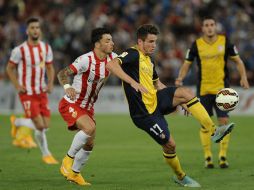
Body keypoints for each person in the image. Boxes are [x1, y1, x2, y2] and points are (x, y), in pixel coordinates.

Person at [106, 24, 235, 187]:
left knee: (186, 93)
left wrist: (182, 102)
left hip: (156, 101)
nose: (154, 45)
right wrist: (133, 82)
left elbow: (158, 84)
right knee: (170, 145)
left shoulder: (149, 60)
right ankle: (180, 176)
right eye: (151, 42)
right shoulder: (132, 54)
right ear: (140, 41)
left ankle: (214, 131)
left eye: (155, 42)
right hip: (143, 114)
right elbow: (111, 65)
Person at [175, 16, 249, 169]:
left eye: (212, 25)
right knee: (205, 124)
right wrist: (180, 78)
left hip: (222, 90)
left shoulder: (225, 42)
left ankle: (222, 156)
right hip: (203, 89)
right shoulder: (196, 45)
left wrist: (243, 77)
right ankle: (208, 157)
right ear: (202, 28)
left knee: (223, 123)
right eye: (206, 25)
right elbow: (186, 63)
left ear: (216, 27)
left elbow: (238, 61)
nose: (209, 27)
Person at [57, 27, 117, 186]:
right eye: (108, 40)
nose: (112, 43)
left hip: (88, 107)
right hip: (71, 103)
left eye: (111, 40)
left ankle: (75, 174)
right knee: (89, 128)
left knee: (89, 144)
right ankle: (67, 160)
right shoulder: (85, 60)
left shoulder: (113, 58)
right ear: (98, 44)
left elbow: (129, 60)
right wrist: (67, 87)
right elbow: (62, 73)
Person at [6, 17, 58, 164]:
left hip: (41, 91)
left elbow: (49, 67)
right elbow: (9, 68)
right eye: (32, 28)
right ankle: (46, 154)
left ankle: (17, 122)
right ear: (27, 30)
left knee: (45, 126)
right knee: (39, 126)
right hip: (27, 93)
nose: (35, 30)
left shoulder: (46, 48)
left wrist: (50, 83)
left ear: (40, 30)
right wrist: (17, 86)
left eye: (37, 27)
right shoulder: (19, 50)